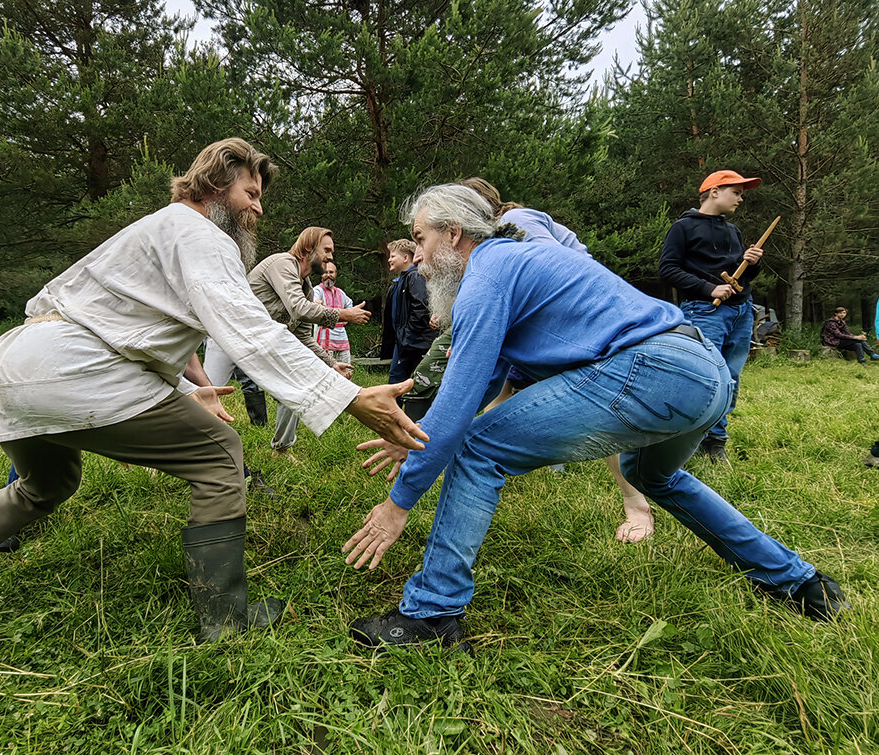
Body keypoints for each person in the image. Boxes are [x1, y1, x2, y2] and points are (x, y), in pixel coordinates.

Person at [0, 138, 427, 642]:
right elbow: (247, 330)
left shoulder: (156, 232)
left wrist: (195, 388)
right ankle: (224, 621)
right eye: (251, 194)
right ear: (216, 183)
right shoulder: (199, 234)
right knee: (221, 457)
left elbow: (150, 330)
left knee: (46, 484)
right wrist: (347, 396)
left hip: (11, 366)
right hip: (75, 372)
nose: (259, 212)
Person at [343, 184, 847, 651]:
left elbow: (457, 414)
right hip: (704, 372)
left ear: (454, 234)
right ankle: (802, 583)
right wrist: (414, 436)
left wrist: (399, 501)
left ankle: (432, 612)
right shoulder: (518, 262)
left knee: (479, 448)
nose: (418, 261)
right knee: (652, 475)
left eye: (420, 240)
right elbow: (474, 389)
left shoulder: (487, 273)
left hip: (655, 369)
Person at [393, 176, 654, 543]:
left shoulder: (514, 235)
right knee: (487, 412)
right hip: (528, 326)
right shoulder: (484, 261)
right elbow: (472, 388)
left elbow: (556, 268)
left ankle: (634, 501)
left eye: (422, 238)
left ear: (462, 224)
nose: (418, 253)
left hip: (583, 335)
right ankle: (486, 463)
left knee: (603, 417)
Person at [205, 227, 370, 457]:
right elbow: (298, 308)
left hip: (259, 345)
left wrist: (331, 363)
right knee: (206, 395)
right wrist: (343, 314)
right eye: (327, 250)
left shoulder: (307, 288)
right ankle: (165, 452)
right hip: (227, 335)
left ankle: (281, 448)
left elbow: (302, 336)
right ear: (309, 247)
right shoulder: (283, 263)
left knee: (295, 387)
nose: (331, 256)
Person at [659, 169, 767, 462]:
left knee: (731, 377)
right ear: (714, 191)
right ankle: (688, 440)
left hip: (742, 311)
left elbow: (739, 276)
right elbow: (667, 269)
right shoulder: (683, 228)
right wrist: (709, 289)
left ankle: (716, 440)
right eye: (737, 192)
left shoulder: (733, 231)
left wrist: (752, 264)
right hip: (704, 311)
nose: (741, 198)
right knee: (704, 376)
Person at [384, 240, 438, 388]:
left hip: (414, 344)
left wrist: (407, 337)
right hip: (404, 343)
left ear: (406, 258)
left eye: (393, 256)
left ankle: (411, 411)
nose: (389, 259)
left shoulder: (415, 276)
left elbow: (420, 308)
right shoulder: (398, 282)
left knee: (411, 384)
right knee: (397, 383)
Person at [312, 260, 355, 365]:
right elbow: (314, 301)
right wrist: (317, 303)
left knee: (346, 367)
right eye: (325, 272)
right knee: (327, 369)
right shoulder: (318, 290)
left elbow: (350, 304)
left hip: (342, 338)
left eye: (331, 272)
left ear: (335, 274)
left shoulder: (340, 293)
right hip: (325, 337)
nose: (328, 275)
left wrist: (346, 319)